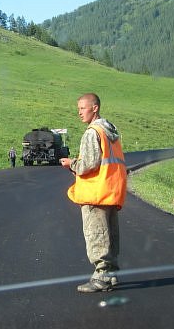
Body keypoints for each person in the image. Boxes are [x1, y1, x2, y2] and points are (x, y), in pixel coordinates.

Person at [59, 93, 127, 293]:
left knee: (96, 234)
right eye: (78, 108)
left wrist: (71, 163)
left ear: (94, 108)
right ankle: (111, 275)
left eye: (82, 108)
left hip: (95, 192)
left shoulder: (92, 132)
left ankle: (101, 277)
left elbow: (88, 164)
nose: (79, 112)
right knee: (110, 234)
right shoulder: (109, 132)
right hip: (110, 190)